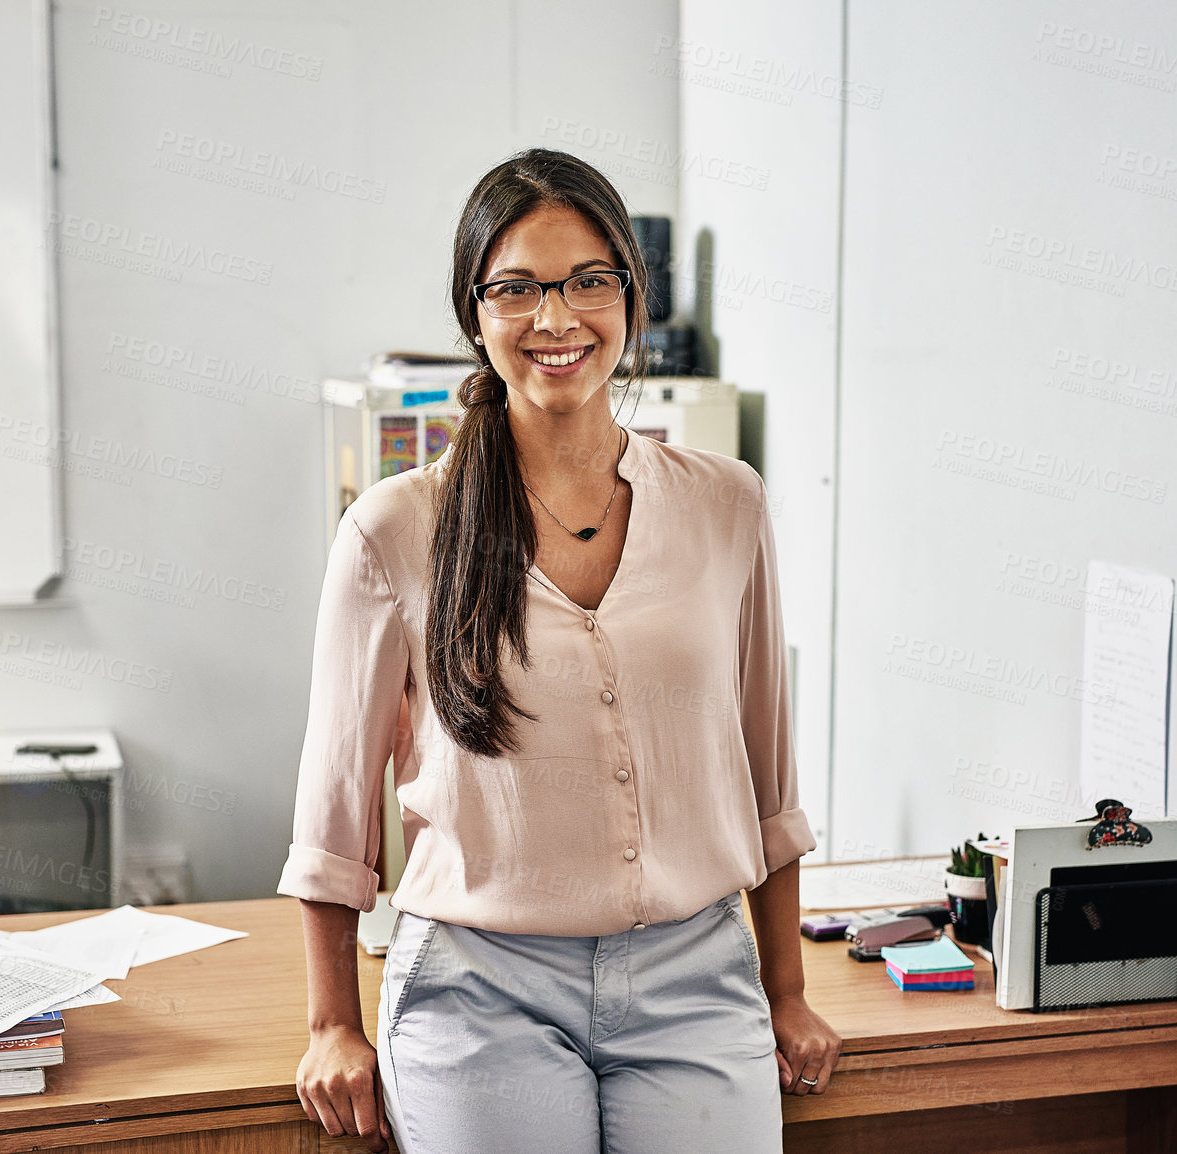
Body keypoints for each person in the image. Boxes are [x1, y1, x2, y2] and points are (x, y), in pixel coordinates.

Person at [277, 147, 841, 1154]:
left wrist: (786, 985)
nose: (556, 318)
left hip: (696, 977)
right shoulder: (394, 528)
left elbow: (768, 773)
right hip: (478, 986)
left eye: (589, 280)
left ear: (631, 293)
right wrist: (331, 1023)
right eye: (517, 288)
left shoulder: (727, 503)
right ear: (475, 311)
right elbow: (335, 811)